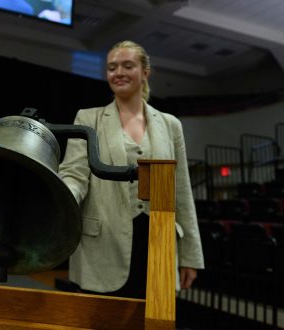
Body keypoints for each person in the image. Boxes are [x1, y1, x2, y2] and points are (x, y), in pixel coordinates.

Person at [58, 40, 204, 298]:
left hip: (158, 244)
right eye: (112, 67)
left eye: (128, 65)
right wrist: (61, 197)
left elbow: (181, 190)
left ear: (145, 72)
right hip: (103, 245)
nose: (119, 73)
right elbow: (74, 174)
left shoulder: (170, 125)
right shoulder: (88, 118)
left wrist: (191, 254)